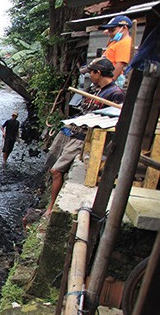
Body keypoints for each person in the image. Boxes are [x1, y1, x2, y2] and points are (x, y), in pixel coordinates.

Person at [45, 57, 125, 216]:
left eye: (91, 73)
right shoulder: (94, 89)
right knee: (52, 156)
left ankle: (50, 208)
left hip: (85, 135)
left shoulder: (115, 94)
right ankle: (46, 192)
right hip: (74, 128)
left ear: (99, 73)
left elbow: (115, 122)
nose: (89, 76)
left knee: (56, 170)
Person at [99, 15, 133, 85]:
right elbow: (108, 45)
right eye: (109, 31)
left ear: (124, 28)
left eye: (113, 30)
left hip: (112, 77)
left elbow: (120, 65)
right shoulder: (116, 41)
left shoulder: (125, 43)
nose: (110, 34)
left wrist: (109, 82)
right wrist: (110, 32)